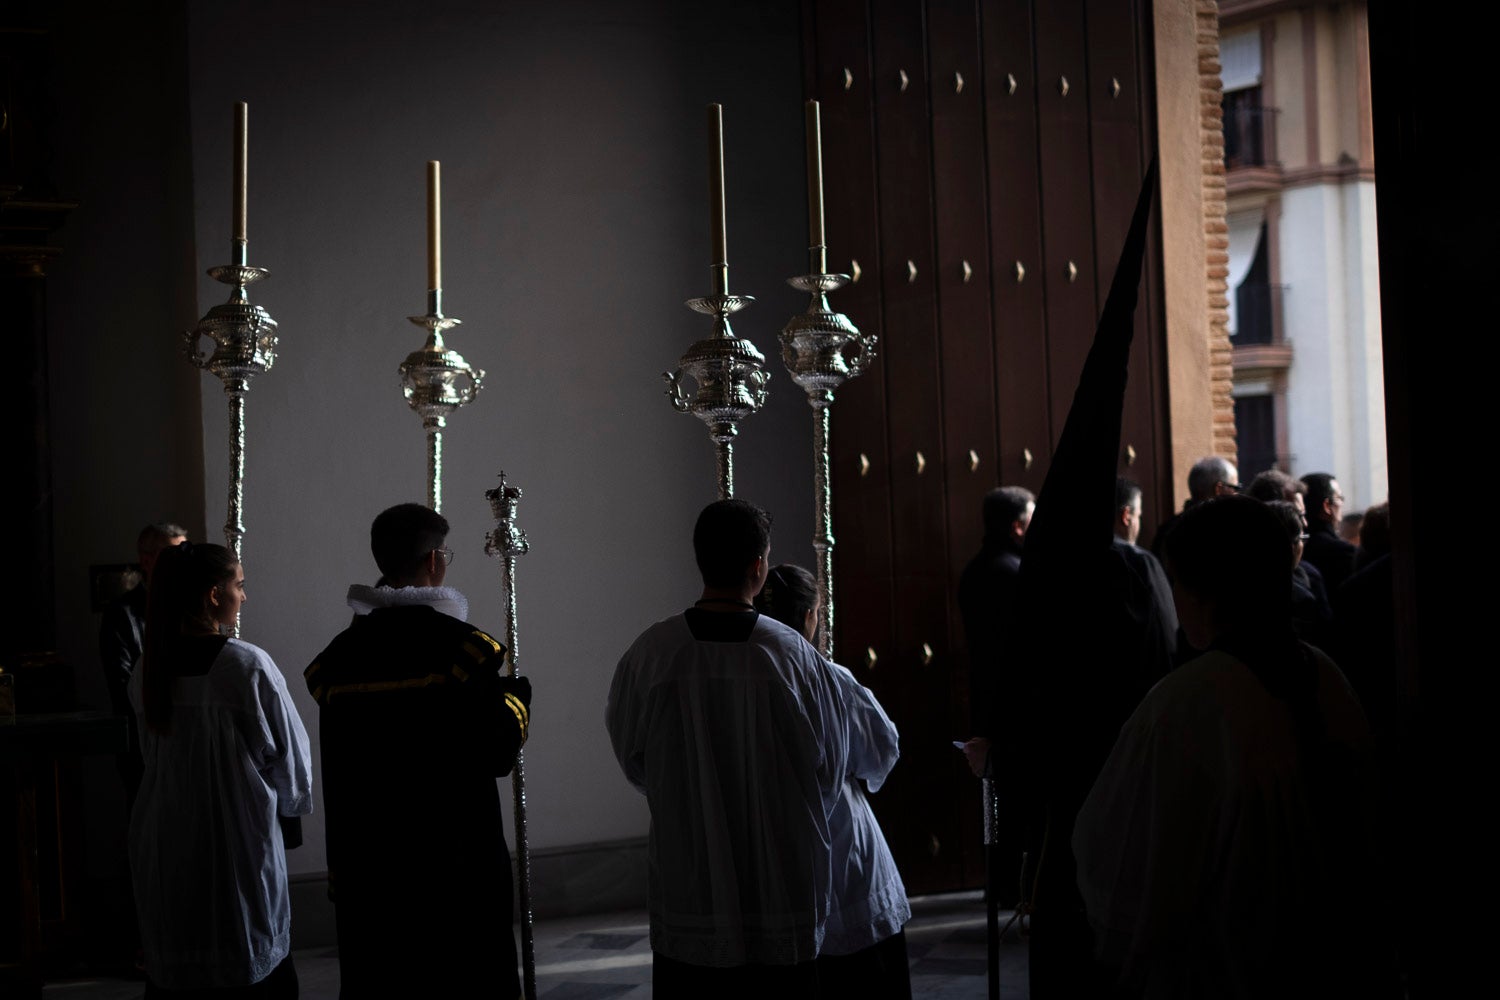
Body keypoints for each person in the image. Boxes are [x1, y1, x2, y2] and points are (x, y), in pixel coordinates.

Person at [1073, 496, 1394, 998]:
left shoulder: (1187, 703)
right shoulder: (1327, 675)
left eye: (1177, 583)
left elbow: (1117, 868)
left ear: (1206, 593)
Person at [606, 499, 850, 998]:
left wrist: (686, 794)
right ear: (759, 566)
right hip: (780, 870)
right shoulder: (793, 655)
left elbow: (631, 757)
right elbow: (830, 764)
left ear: (699, 559)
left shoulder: (652, 652)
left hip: (691, 864)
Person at [304, 503, 530, 999]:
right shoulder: (462, 652)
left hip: (371, 871)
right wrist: (516, 700)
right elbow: (494, 753)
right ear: (433, 562)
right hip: (451, 871)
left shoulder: (337, 662)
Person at [128, 542, 313, 997]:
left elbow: (150, 757)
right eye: (239, 585)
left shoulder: (146, 668)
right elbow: (291, 758)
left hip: (164, 835)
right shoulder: (246, 666)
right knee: (243, 951)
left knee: (181, 956)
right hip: (236, 838)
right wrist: (290, 812)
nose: (244, 597)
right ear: (214, 594)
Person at [755, 563, 911, 999]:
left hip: (771, 835)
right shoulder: (831, 677)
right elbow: (880, 751)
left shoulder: (739, 677)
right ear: (809, 616)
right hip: (840, 832)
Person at [100, 521, 187, 805]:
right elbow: (123, 686)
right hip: (143, 752)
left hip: (188, 748)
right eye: (173, 555)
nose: (182, 564)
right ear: (147, 561)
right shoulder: (122, 615)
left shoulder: (193, 610)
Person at [1147, 455, 1238, 558]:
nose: (1236, 494)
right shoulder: (1227, 530)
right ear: (1219, 489)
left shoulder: (1167, 530)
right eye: (1235, 488)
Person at [1301, 472, 1357, 593]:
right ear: (1327, 506)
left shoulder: (1297, 548)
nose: (1342, 503)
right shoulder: (1343, 552)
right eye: (1339, 498)